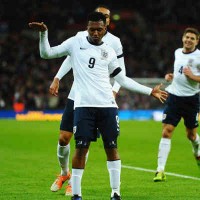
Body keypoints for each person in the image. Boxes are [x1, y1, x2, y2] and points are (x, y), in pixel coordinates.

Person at [29, 12, 167, 200]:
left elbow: (122, 79)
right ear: (87, 27)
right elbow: (46, 54)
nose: (95, 32)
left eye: (99, 29)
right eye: (92, 29)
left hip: (107, 106)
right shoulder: (75, 43)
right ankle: (76, 194)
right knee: (81, 147)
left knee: (111, 147)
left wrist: (149, 91)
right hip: (83, 106)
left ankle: (115, 193)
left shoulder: (109, 51)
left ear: (105, 30)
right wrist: (44, 34)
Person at [30, 5, 126, 196]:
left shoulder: (114, 43)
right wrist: (58, 77)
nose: (103, 19)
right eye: (100, 16)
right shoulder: (81, 36)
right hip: (78, 96)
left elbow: (121, 72)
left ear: (108, 22)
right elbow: (71, 57)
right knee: (63, 138)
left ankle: (75, 183)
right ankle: (64, 173)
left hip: (101, 99)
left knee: (85, 142)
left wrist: (114, 91)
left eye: (106, 17)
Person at [153, 27, 200, 182]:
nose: (188, 40)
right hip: (174, 97)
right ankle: (160, 170)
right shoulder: (177, 52)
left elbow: (193, 76)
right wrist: (172, 76)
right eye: (187, 37)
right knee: (167, 131)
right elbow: (180, 72)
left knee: (191, 135)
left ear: (197, 41)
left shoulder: (199, 56)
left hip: (191, 100)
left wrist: (192, 76)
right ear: (182, 38)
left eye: (192, 38)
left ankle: (197, 150)